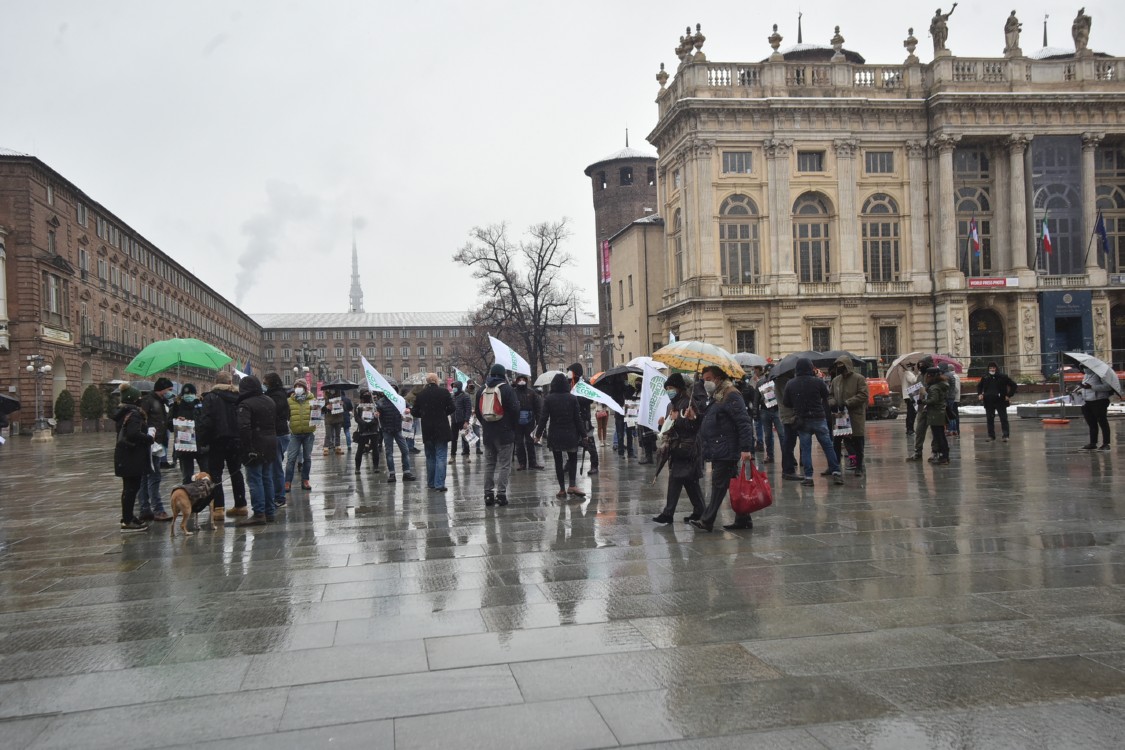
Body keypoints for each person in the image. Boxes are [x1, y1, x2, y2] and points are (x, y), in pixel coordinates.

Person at [689, 366, 755, 532]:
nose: (705, 383)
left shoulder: (730, 394)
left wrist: (746, 448)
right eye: (704, 380)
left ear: (718, 378)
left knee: (718, 486)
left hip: (726, 448)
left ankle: (707, 520)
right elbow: (711, 417)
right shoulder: (718, 395)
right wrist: (695, 416)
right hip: (720, 447)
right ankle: (743, 519)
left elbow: (743, 422)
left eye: (708, 379)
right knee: (732, 484)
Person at [652, 373, 705, 525]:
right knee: (689, 481)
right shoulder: (673, 404)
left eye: (671, 387)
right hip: (677, 447)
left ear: (679, 388)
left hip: (687, 448)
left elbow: (693, 426)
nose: (669, 391)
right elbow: (670, 428)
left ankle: (668, 513)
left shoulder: (687, 402)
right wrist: (662, 425)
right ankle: (700, 510)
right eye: (667, 388)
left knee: (676, 479)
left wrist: (682, 418)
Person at [783, 357, 843, 486]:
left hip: (802, 420)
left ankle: (808, 477)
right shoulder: (818, 382)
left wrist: (797, 404)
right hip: (819, 418)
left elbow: (786, 403)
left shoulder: (790, 383)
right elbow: (826, 395)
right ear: (810, 368)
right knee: (828, 446)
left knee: (806, 449)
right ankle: (836, 472)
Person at [198, 371, 248, 516]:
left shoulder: (210, 398)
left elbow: (205, 422)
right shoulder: (239, 397)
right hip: (236, 440)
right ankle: (241, 505)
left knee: (216, 474)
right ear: (230, 383)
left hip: (217, 441)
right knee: (236, 472)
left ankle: (218, 508)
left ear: (216, 382)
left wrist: (203, 440)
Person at [235, 374, 277, 526]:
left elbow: (243, 428)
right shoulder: (269, 400)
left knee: (255, 479)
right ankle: (270, 512)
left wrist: (247, 448)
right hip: (270, 443)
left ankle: (259, 513)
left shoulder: (245, 404)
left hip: (255, 445)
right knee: (267, 478)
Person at [535, 373, 585, 499]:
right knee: (572, 459)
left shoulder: (549, 399)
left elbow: (543, 418)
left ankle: (562, 489)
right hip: (571, 434)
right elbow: (578, 419)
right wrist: (584, 435)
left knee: (558, 462)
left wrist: (538, 434)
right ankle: (572, 485)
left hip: (555, 434)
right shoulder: (572, 398)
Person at [476, 363, 520, 506]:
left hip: (488, 433)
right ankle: (501, 495)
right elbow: (515, 410)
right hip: (505, 433)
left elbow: (478, 411)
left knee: (489, 464)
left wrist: (486, 424)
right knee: (504, 465)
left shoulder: (482, 389)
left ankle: (488, 494)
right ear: (503, 375)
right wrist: (512, 427)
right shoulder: (507, 389)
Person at [113, 385, 154, 531]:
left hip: (125, 454)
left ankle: (128, 517)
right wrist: (149, 438)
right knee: (131, 488)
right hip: (132, 455)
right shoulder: (134, 413)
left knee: (128, 488)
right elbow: (133, 433)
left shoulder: (123, 412)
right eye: (139, 397)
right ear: (134, 399)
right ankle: (128, 520)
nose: (141, 399)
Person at [136, 377, 174, 522]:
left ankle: (145, 509)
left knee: (146, 477)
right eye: (169, 389)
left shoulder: (163, 402)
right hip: (150, 444)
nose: (170, 392)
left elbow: (164, 422)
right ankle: (157, 510)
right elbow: (142, 421)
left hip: (158, 443)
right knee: (153, 476)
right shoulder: (148, 401)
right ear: (162, 389)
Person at [412, 373, 454, 491]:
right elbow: (452, 407)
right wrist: (443, 413)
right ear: (436, 381)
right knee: (441, 456)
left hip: (427, 429)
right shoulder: (444, 392)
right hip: (441, 428)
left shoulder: (421, 394)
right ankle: (439, 484)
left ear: (427, 381)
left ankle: (431, 483)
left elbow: (414, 412)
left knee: (430, 457)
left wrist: (424, 414)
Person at [829, 356, 869, 476]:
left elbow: (863, 395)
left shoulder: (859, 378)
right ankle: (835, 466)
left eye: (841, 365)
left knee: (858, 442)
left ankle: (859, 466)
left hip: (855, 415)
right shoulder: (836, 380)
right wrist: (833, 403)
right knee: (837, 442)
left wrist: (847, 403)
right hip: (840, 416)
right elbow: (830, 395)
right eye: (837, 365)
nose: (839, 367)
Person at [567, 363, 600, 475]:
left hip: (584, 418)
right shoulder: (568, 383)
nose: (569, 373)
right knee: (571, 443)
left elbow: (590, 399)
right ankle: (569, 463)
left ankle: (594, 465)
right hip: (572, 419)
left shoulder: (585, 384)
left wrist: (575, 399)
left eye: (571, 371)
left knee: (589, 442)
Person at [262, 372, 290, 508]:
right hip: (280, 433)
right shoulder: (279, 394)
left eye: (265, 382)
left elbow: (274, 412)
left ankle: (279, 497)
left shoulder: (276, 395)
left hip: (277, 433)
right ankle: (276, 495)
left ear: (271, 382)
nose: (263, 384)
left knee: (275, 467)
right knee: (275, 466)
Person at [377, 391, 416, 482]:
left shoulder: (400, 399)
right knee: (389, 453)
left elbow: (409, 407)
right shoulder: (380, 402)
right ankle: (392, 474)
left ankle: (406, 472)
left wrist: (409, 409)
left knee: (405, 450)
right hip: (387, 429)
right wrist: (376, 414)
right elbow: (377, 411)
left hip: (398, 429)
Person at [285, 379, 316, 491]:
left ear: (305, 388)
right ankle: (287, 482)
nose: (298, 388)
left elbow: (317, 415)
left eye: (300, 386)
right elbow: (286, 415)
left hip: (308, 433)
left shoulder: (312, 400)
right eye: (296, 386)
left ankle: (305, 480)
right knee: (291, 459)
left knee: (307, 458)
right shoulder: (289, 401)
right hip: (295, 433)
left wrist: (320, 410)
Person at [170, 383, 203, 485]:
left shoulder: (200, 405)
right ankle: (188, 492)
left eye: (191, 393)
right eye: (187, 394)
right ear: (182, 395)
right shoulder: (176, 406)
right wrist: (177, 421)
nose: (189, 396)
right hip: (184, 445)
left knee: (205, 474)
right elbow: (169, 424)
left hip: (200, 443)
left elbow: (206, 421)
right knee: (187, 476)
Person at [977, 361, 1017, 441]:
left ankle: (1005, 435)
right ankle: (991, 436)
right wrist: (980, 394)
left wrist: (1008, 395)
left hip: (1000, 401)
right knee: (990, 419)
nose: (992, 369)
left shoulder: (1003, 377)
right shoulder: (985, 377)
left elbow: (1014, 385)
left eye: (993, 368)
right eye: (990, 368)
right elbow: (979, 386)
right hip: (989, 401)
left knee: (1003, 418)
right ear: (988, 369)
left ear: (996, 368)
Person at [908, 355, 938, 461]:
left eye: (922, 364)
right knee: (920, 429)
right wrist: (913, 394)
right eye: (919, 364)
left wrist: (926, 391)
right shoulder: (920, 375)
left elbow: (936, 389)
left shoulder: (934, 375)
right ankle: (918, 451)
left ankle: (935, 451)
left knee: (935, 430)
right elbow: (917, 387)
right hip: (922, 405)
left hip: (932, 405)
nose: (920, 366)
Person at [1077, 365, 1113, 450]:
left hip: (1099, 401)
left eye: (1085, 366)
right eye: (1082, 367)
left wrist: (1091, 387)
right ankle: (1093, 443)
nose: (1084, 368)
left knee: (1102, 422)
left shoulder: (1101, 374)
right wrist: (1080, 390)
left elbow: (1107, 387)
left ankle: (1106, 443)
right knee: (1091, 423)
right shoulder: (1086, 375)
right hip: (1087, 401)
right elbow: (1086, 388)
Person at [513, 374, 544, 470]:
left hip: (529, 421)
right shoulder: (513, 393)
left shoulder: (532, 393)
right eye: (520, 380)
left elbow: (538, 408)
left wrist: (538, 421)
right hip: (517, 422)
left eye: (523, 379)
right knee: (519, 443)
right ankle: (522, 463)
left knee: (530, 442)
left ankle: (532, 463)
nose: (522, 381)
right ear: (517, 381)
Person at [923, 367, 951, 464]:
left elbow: (933, 400)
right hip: (940, 413)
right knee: (940, 435)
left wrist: (923, 401)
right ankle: (944, 455)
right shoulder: (941, 385)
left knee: (939, 436)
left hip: (935, 414)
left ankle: (944, 457)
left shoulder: (934, 387)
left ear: (930, 376)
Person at [353, 389, 382, 474]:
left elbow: (377, 416)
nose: (366, 395)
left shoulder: (375, 405)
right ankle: (357, 468)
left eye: (368, 393)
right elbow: (356, 418)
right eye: (364, 393)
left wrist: (372, 422)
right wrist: (364, 423)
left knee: (375, 448)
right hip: (363, 430)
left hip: (373, 430)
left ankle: (376, 467)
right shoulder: (358, 406)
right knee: (360, 449)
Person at [450, 380, 473, 462]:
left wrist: (466, 421)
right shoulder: (452, 396)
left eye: (455, 386)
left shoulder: (465, 396)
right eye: (453, 386)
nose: (454, 388)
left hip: (463, 421)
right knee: (453, 439)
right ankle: (453, 456)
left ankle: (467, 455)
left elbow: (468, 409)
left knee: (465, 439)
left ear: (459, 387)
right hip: (454, 421)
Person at [322, 389, 345, 455]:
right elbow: (321, 410)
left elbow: (345, 408)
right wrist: (326, 407)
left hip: (338, 418)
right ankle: (326, 448)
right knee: (328, 435)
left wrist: (342, 404)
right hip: (329, 420)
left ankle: (338, 448)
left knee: (338, 435)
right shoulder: (325, 399)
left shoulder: (339, 398)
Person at [941, 363, 962, 436]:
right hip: (954, 397)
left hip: (953, 398)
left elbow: (955, 389)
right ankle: (954, 430)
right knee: (952, 414)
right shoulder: (953, 376)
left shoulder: (952, 376)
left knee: (951, 414)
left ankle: (953, 430)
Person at [902, 362, 919, 437]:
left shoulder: (907, 373)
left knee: (911, 412)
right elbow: (913, 381)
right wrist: (918, 375)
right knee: (911, 413)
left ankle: (909, 428)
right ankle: (910, 429)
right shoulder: (908, 373)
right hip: (910, 395)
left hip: (909, 395)